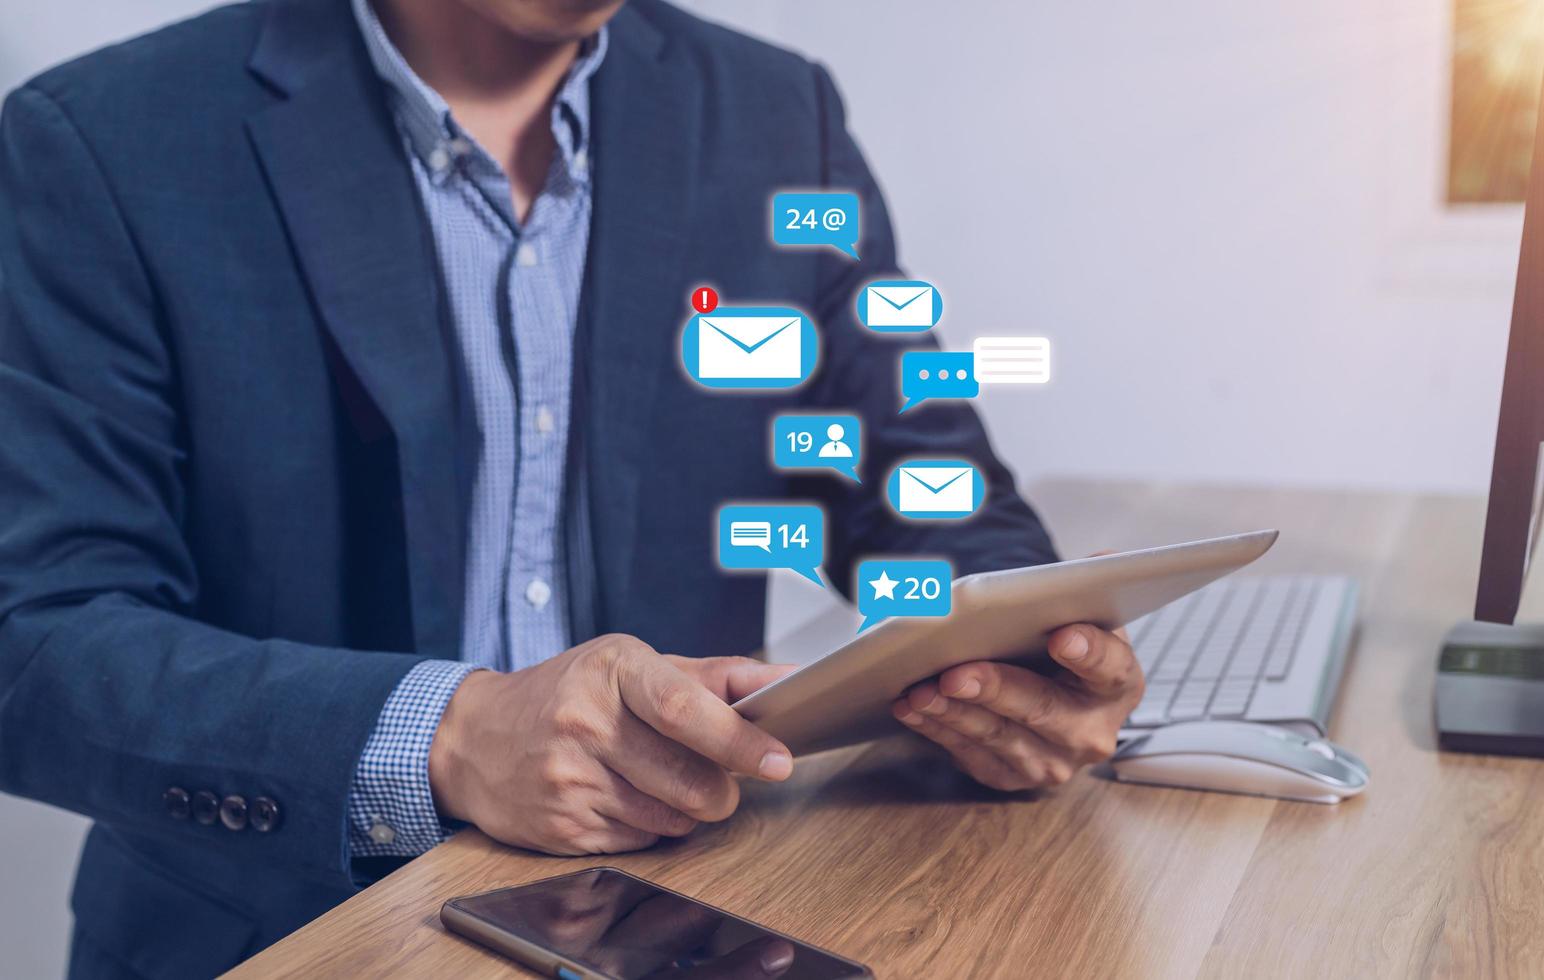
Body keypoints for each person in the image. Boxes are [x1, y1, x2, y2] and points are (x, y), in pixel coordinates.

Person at [0, 0, 1145, 974]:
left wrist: (1014, 648)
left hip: (697, 918)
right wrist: (451, 733)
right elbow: (34, 636)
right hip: (277, 938)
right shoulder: (98, 144)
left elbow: (915, 469)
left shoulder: (772, 114)